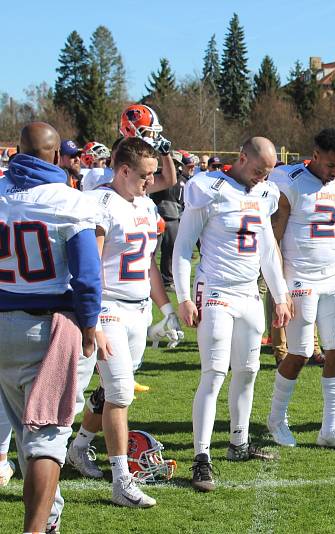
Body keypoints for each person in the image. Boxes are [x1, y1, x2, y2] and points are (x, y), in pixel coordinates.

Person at [67, 137, 180, 508]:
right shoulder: (100, 203)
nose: (152, 181)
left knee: (114, 390)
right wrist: (92, 321)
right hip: (108, 308)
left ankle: (80, 446)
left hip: (139, 308)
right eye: (146, 175)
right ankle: (121, 481)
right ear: (124, 170)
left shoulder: (145, 205)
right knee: (118, 393)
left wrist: (166, 308)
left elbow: (147, 263)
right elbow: (90, 265)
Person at [0, 122, 102, 533]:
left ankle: (50, 521)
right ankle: (36, 530)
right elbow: (89, 277)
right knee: (46, 438)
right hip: (49, 329)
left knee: (28, 440)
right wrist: (91, 326)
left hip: (3, 325)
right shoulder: (69, 201)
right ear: (57, 157)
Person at [173, 137, 291, 492]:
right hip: (216, 292)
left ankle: (238, 443)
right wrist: (182, 297)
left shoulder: (265, 193)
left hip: (249, 294)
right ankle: (201, 457)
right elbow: (182, 247)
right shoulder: (207, 188)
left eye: (268, 172)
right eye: (258, 170)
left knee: (249, 370)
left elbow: (268, 250)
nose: (262, 177)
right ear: (241, 158)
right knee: (214, 373)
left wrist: (280, 295)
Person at [267, 128, 335, 452]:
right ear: (315, 155)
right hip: (299, 278)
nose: (334, 172)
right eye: (330, 165)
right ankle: (276, 418)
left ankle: (329, 429)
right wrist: (279, 290)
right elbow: (273, 239)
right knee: (299, 353)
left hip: (332, 279)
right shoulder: (292, 181)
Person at [150, 151, 191, 289]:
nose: (174, 165)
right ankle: (147, 278)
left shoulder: (184, 181)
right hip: (157, 218)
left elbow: (184, 201)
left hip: (174, 219)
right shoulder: (158, 177)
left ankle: (167, 281)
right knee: (151, 251)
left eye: (176, 163)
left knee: (170, 251)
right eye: (172, 162)